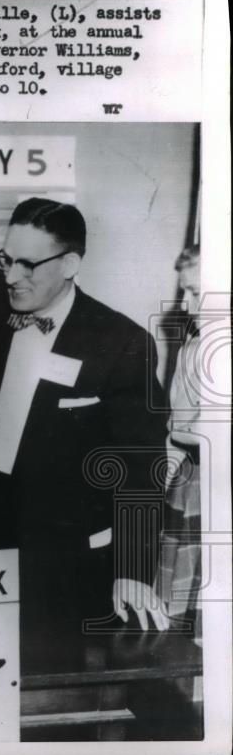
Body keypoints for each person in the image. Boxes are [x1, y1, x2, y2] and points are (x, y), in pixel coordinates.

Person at [0, 198, 170, 647]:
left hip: (67, 559)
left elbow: (142, 467)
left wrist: (133, 570)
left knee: (57, 694)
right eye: (6, 259)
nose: (10, 276)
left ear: (70, 263)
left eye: (28, 264)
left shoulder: (121, 343)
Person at [157, 245, 203, 641]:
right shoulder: (191, 351)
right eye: (183, 293)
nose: (186, 307)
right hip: (197, 489)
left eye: (195, 293)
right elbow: (177, 429)